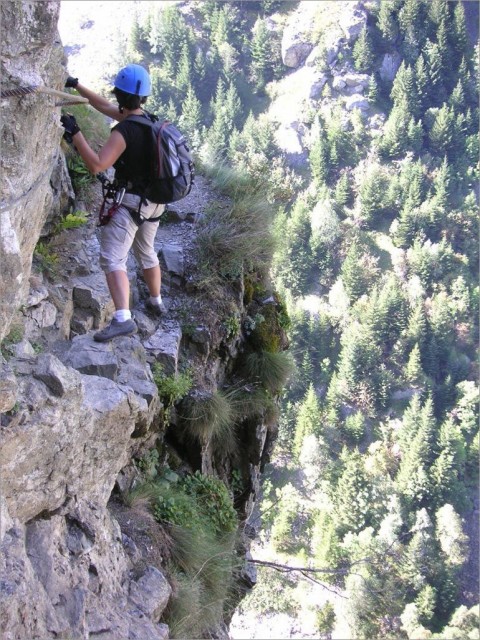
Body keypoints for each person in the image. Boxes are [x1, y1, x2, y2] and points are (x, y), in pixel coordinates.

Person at [60, 64, 166, 342]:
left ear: (120, 94)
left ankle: (123, 318)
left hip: (132, 203)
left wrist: (75, 133)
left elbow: (97, 165)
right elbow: (104, 106)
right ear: (143, 97)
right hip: (155, 202)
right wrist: (76, 84)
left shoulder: (124, 131)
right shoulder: (148, 121)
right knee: (146, 251)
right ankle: (156, 301)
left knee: (112, 257)